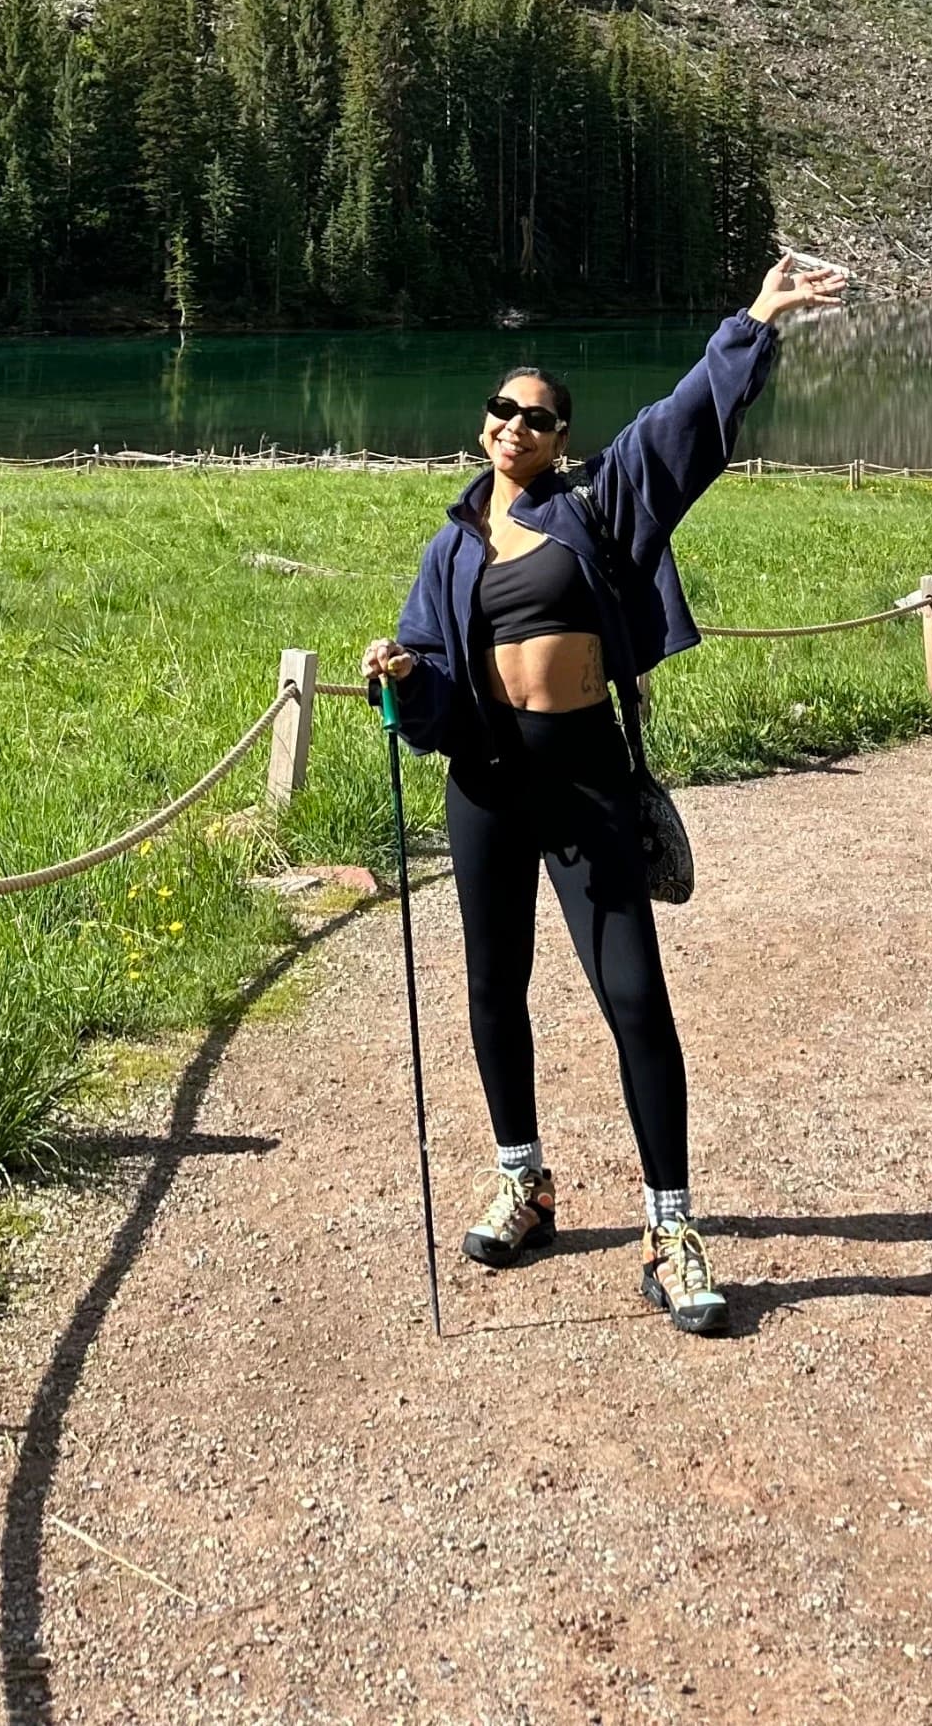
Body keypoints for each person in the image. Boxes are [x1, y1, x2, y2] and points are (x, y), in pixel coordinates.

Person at [363, 254, 845, 1335]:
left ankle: (669, 1227)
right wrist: (401, 680)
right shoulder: (448, 548)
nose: (512, 425)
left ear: (560, 438)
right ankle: (523, 1182)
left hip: (583, 778)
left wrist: (755, 319)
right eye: (500, 409)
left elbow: (684, 426)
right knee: (494, 990)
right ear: (481, 425)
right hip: (486, 787)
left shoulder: (598, 503)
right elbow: (436, 683)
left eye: (534, 415)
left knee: (634, 999)